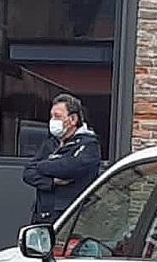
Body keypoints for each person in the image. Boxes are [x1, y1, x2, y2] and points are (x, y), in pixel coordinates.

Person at [23, 93, 101, 224]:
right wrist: (51, 182)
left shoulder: (88, 144)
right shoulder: (50, 143)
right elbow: (28, 173)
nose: (53, 121)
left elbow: (70, 168)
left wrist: (42, 166)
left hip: (69, 219)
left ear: (73, 119)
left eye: (57, 116)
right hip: (42, 217)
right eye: (52, 116)